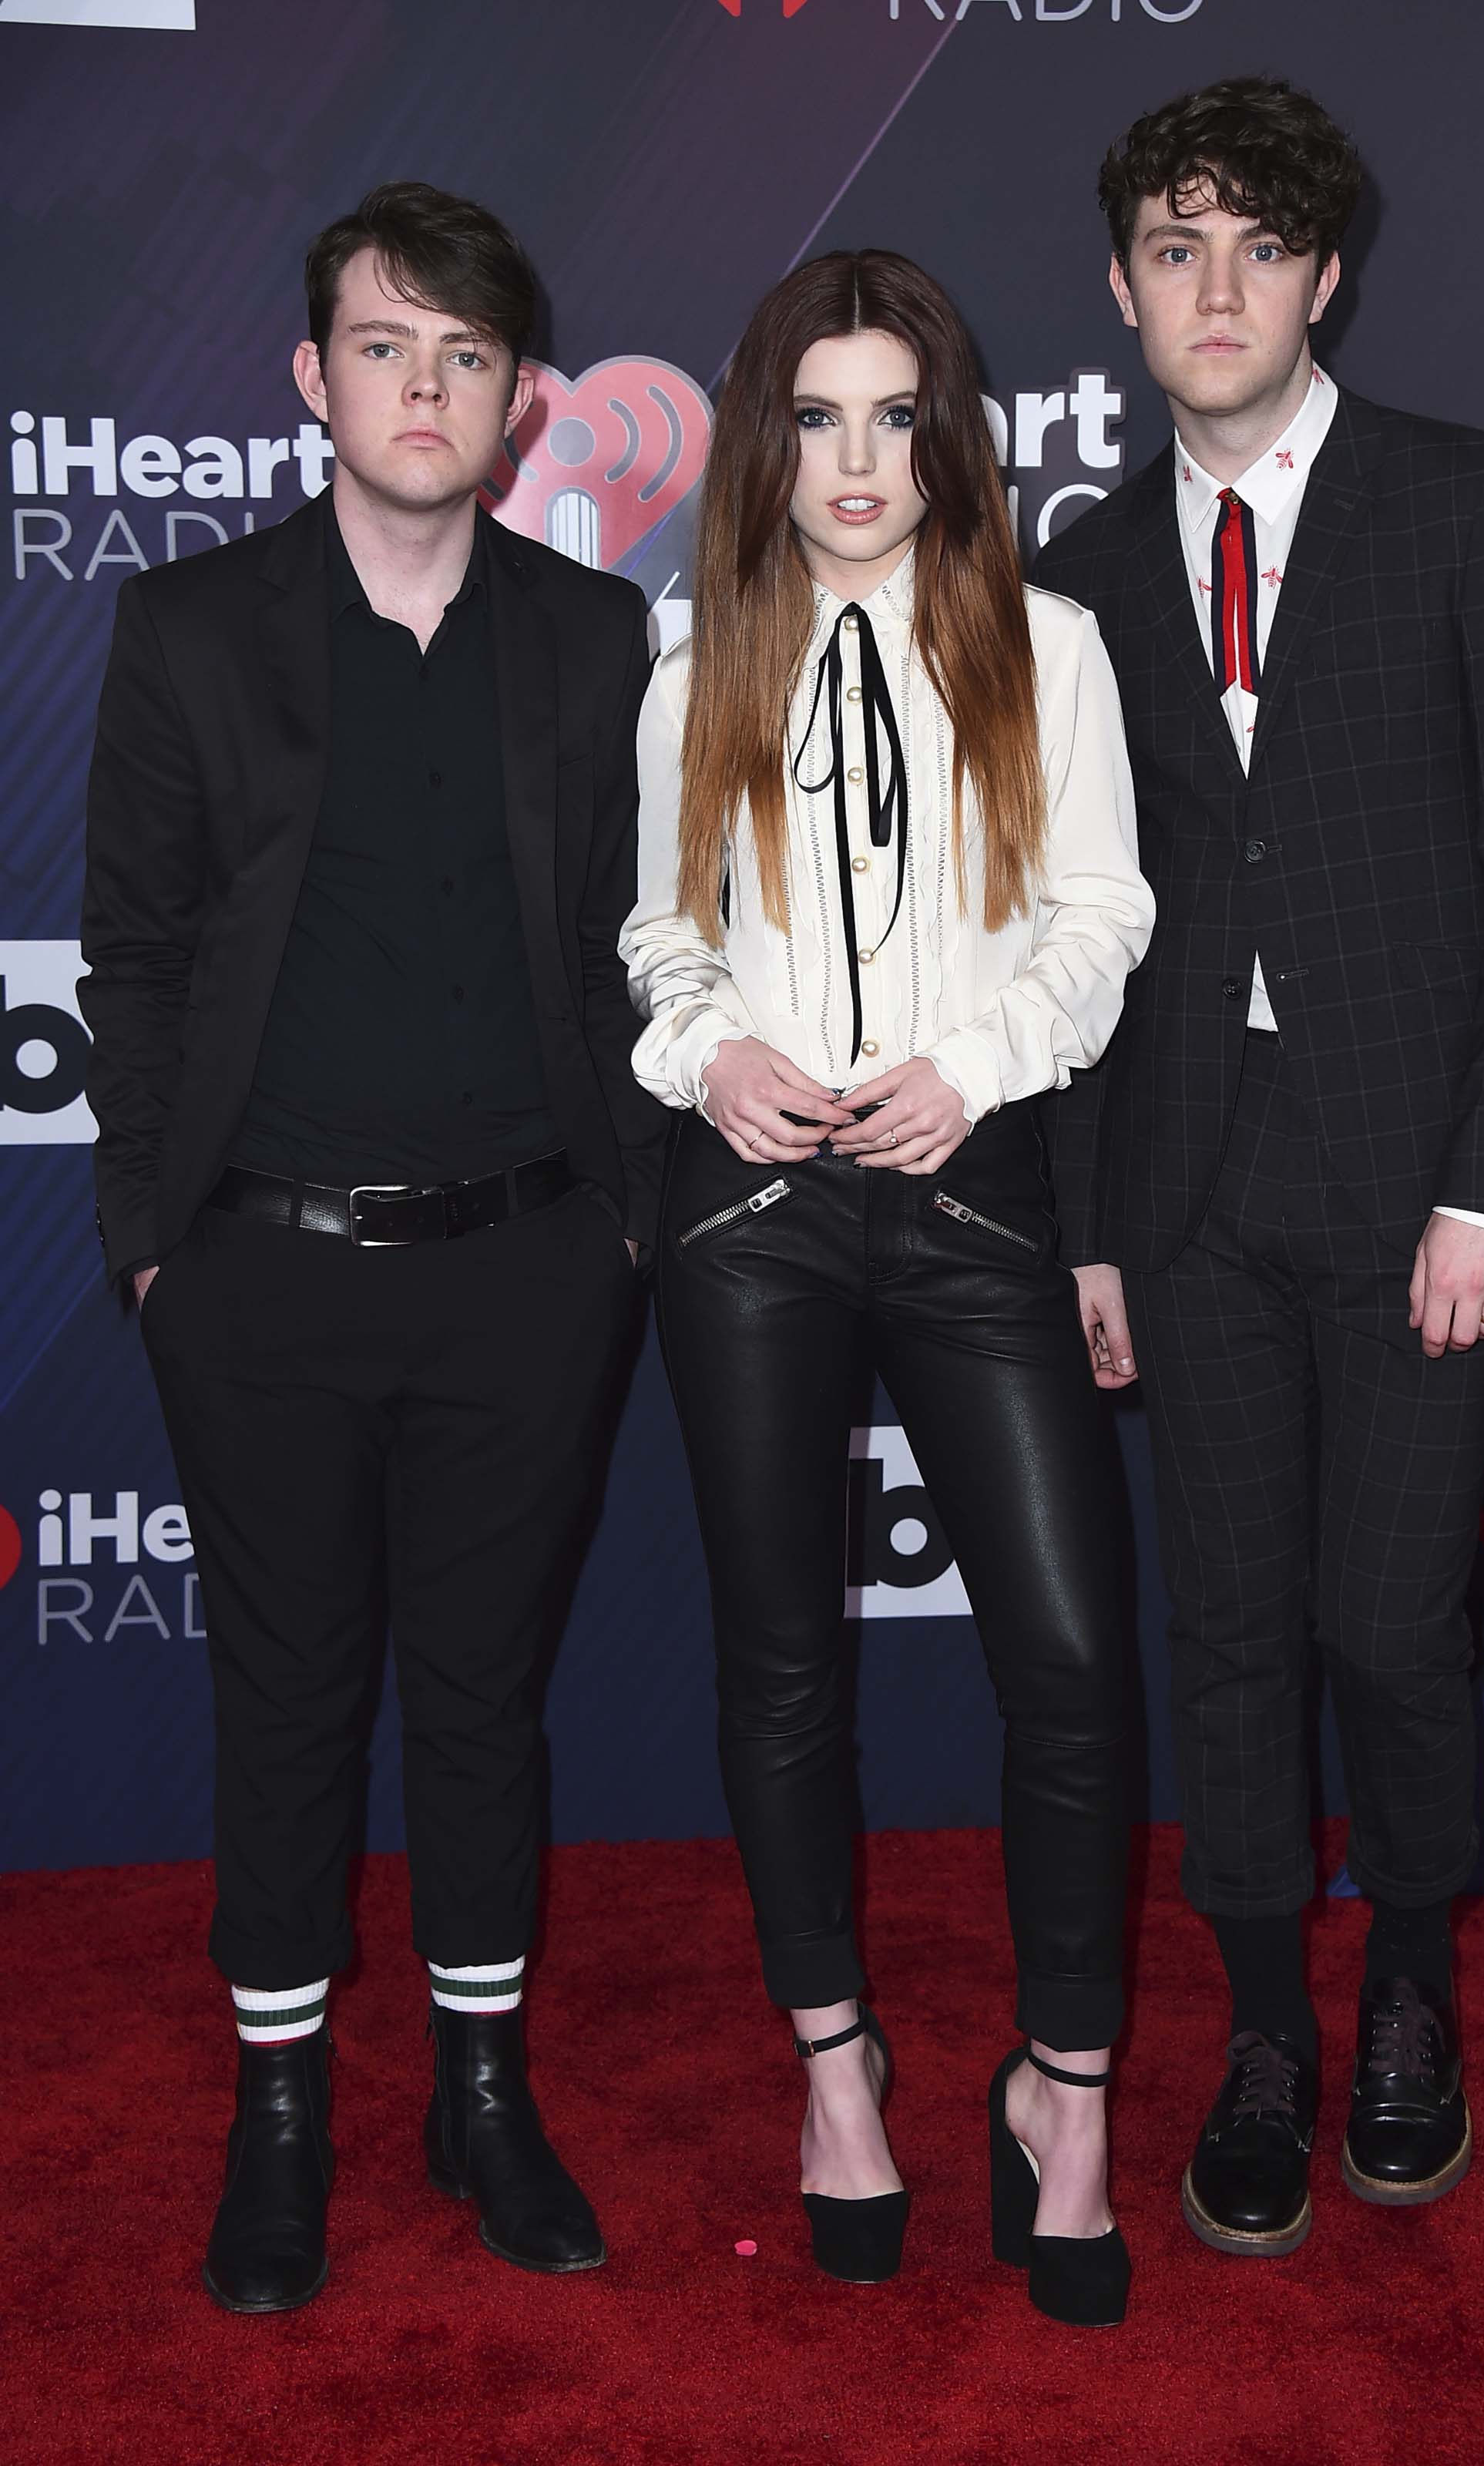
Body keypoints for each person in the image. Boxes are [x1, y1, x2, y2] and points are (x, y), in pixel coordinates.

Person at [1035, 76, 1484, 2256]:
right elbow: (1070, 918)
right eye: (1172, 251)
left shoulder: (1469, 508)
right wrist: (1091, 1221)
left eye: (1254, 249)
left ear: (1322, 277)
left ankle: (1407, 1998)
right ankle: (1266, 2027)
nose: (1214, 287)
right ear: (1117, 288)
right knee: (1233, 1631)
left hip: (1418, 1177)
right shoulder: (1079, 565)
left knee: (1391, 1628)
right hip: (1186, 1179)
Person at [80, 182, 664, 2312]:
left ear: (519, 405)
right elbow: (131, 961)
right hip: (257, 1272)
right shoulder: (187, 627)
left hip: (528, 1264)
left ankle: (481, 2096)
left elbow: (648, 954)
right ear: (312, 380)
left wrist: (615, 1231)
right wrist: (154, 1244)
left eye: (469, 356)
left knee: (486, 1703)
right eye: (385, 347)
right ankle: (285, 2113)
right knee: (289, 1698)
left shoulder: (597, 640)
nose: (427, 388)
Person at [623, 250, 1154, 2324]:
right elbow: (660, 944)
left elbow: (1099, 916)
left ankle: (1067, 2094)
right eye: (818, 417)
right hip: (752, 1213)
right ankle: (836, 2075)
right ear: (771, 437)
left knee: (1071, 1666)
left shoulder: (1053, 647)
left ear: (953, 434)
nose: (857, 461)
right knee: (780, 1668)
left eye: (895, 414)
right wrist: (709, 1060)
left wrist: (974, 1071)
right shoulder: (694, 671)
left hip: (974, 1194)